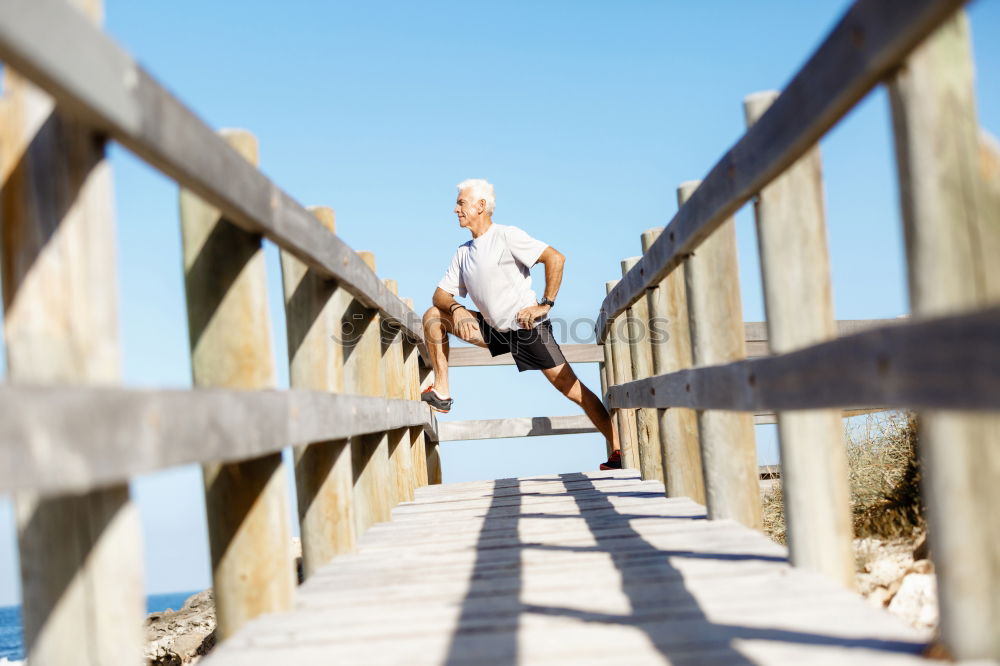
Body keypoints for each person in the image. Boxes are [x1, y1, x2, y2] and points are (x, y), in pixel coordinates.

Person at [421, 178, 622, 470]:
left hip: (526, 329)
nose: (456, 209)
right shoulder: (463, 252)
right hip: (491, 329)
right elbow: (439, 294)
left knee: (571, 388)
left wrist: (545, 304)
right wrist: (458, 309)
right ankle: (442, 390)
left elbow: (555, 258)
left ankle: (618, 451)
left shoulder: (506, 236)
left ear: (481, 206)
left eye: (461, 203)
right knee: (433, 315)